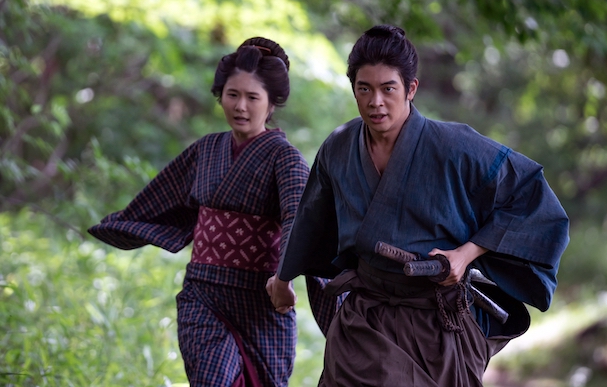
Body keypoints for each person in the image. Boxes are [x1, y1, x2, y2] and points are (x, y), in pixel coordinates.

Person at [267, 25, 570, 386]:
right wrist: (283, 278)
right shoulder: (339, 146)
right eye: (364, 89)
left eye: (388, 89)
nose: (375, 101)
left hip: (436, 324)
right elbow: (312, 219)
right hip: (364, 319)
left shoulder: (455, 147)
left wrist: (465, 255)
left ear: (411, 89)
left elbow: (529, 194)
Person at [88, 37, 338, 387]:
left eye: (252, 97)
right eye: (232, 94)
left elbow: (300, 221)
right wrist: (121, 225)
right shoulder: (206, 149)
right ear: (220, 95)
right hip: (202, 295)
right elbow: (161, 197)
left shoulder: (285, 158)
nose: (240, 106)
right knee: (212, 379)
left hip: (260, 302)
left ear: (271, 103)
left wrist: (283, 280)